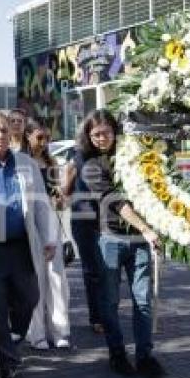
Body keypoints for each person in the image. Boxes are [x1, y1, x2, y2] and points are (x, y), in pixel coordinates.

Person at [77, 109, 166, 378]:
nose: (102, 139)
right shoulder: (91, 166)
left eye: (106, 132)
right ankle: (116, 353)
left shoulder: (134, 157)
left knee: (143, 300)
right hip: (112, 241)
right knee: (110, 301)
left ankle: (144, 356)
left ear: (116, 131)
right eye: (96, 135)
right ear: (89, 138)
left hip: (140, 243)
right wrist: (146, 228)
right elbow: (115, 200)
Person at [0, 111, 55, 378]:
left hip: (22, 245)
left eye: (3, 130)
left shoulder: (26, 163)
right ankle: (7, 364)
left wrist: (50, 238)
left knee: (30, 298)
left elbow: (42, 204)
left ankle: (13, 339)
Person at [22, 120, 70, 350]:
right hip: (30, 222)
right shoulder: (21, 161)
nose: (43, 142)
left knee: (57, 277)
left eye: (46, 138)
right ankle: (37, 333)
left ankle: (61, 330)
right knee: (36, 277)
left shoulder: (51, 163)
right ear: (28, 136)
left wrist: (61, 200)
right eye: (39, 137)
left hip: (51, 221)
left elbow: (61, 201)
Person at [62, 128, 104, 334]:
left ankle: (103, 314)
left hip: (105, 220)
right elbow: (65, 189)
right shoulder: (78, 156)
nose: (100, 138)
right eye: (95, 135)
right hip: (84, 220)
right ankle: (97, 317)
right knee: (92, 270)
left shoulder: (111, 156)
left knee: (102, 270)